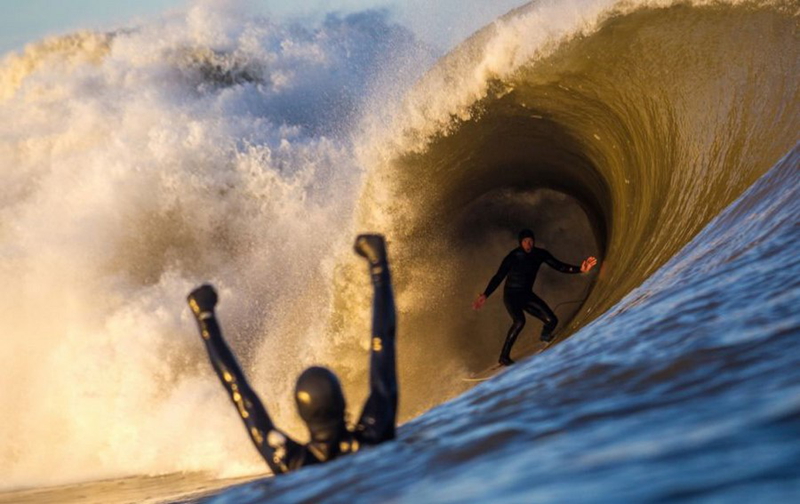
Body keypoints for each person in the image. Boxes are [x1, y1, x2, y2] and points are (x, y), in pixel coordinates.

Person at [186, 234, 397, 475]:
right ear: (342, 402)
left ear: (300, 414)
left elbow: (239, 391)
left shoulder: (290, 462)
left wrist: (206, 320)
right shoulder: (374, 435)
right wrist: (379, 268)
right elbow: (384, 345)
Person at [472, 229, 597, 366]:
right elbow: (499, 276)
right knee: (519, 321)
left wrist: (580, 269)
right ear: (520, 243)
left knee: (552, 321)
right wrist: (485, 294)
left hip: (526, 294)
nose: (528, 244)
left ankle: (545, 335)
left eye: (530, 241)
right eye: (525, 241)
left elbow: (559, 266)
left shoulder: (540, 254)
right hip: (511, 295)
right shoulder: (513, 256)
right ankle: (504, 356)